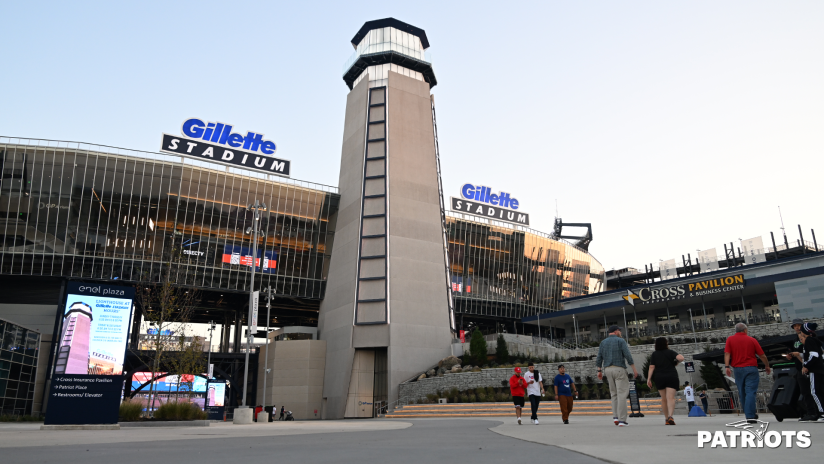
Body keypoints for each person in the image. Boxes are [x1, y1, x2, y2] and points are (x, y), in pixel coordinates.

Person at [724, 322, 771, 423]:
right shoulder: (752, 340)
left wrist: (727, 366)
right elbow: (762, 355)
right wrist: (767, 365)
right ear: (745, 330)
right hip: (751, 368)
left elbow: (727, 353)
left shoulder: (730, 340)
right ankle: (750, 415)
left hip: (737, 369)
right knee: (750, 392)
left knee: (742, 392)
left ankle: (748, 414)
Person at [596, 325, 639, 426]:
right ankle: (622, 419)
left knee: (613, 393)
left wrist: (599, 370)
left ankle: (615, 416)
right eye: (619, 330)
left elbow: (599, 357)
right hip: (619, 368)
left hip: (607, 370)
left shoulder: (603, 342)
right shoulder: (621, 341)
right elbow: (627, 355)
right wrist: (634, 369)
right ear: (616, 331)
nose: (620, 332)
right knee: (622, 394)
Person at [786, 322, 824, 422]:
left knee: (814, 391)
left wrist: (806, 365)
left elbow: (814, 355)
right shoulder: (815, 340)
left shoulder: (809, 340)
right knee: (819, 391)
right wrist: (799, 354)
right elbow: (813, 354)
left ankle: (822, 413)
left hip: (814, 370)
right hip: (819, 369)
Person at [647, 337, 685, 425]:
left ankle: (666, 418)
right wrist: (675, 361)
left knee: (663, 399)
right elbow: (681, 358)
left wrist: (649, 379)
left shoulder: (654, 354)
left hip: (659, 377)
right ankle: (671, 416)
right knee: (670, 398)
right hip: (671, 376)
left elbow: (652, 367)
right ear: (666, 343)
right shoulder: (670, 352)